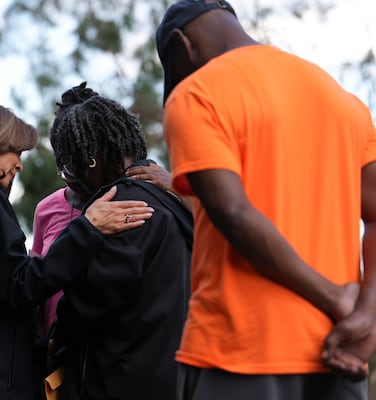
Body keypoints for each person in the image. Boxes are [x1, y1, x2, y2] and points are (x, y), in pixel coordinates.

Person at [155, 1, 376, 399]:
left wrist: (337, 298)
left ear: (180, 45)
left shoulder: (197, 94)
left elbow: (234, 214)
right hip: (339, 351)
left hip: (239, 353)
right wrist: (366, 315)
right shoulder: (342, 100)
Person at [0, 97, 155, 400]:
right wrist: (88, 228)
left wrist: (35, 349)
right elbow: (21, 285)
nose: (19, 165)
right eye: (15, 152)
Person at [46, 88, 193, 399]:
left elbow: (93, 296)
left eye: (71, 167)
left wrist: (57, 335)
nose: (71, 180)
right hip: (171, 375)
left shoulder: (121, 205)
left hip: (121, 376)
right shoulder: (170, 199)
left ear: (92, 157)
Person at [31, 82, 176, 339]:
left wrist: (177, 186)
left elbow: (100, 291)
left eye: (76, 159)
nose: (70, 173)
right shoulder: (47, 208)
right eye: (62, 162)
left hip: (102, 346)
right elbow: (37, 281)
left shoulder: (131, 201)